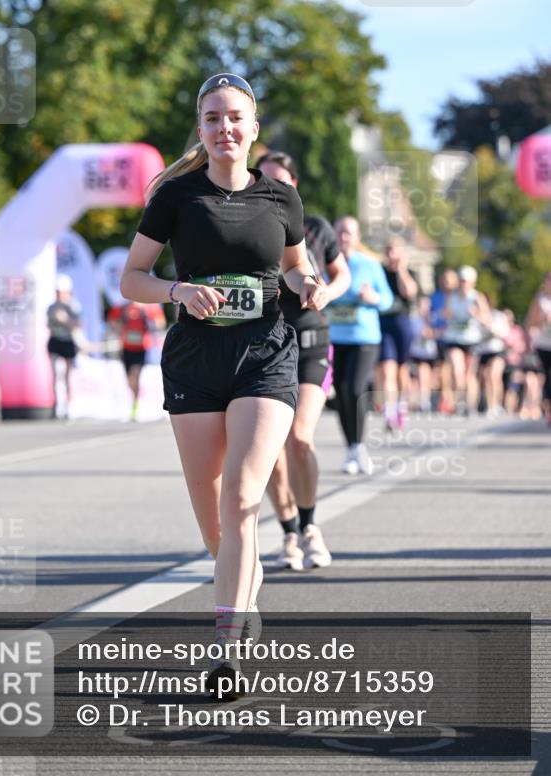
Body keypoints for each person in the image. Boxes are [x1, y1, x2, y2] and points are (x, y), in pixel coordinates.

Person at [120, 72, 328, 695]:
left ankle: (226, 649)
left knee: (243, 499)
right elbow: (133, 278)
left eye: (235, 117)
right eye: (212, 118)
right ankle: (243, 591)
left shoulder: (281, 200)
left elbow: (295, 267)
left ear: (253, 127)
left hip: (265, 357)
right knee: (216, 522)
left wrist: (306, 285)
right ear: (202, 128)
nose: (224, 128)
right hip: (193, 361)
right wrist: (177, 289)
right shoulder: (176, 197)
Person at [255, 151, 350, 572]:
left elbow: (341, 273)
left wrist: (329, 291)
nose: (271, 187)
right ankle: (289, 530)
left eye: (279, 181)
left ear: (293, 184)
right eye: (264, 179)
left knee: (300, 437)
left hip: (311, 337)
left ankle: (311, 526)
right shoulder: (247, 223)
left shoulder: (314, 228)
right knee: (271, 449)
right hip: (267, 340)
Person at [328, 217, 394, 475]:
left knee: (353, 388)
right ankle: (352, 448)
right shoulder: (325, 264)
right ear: (333, 235)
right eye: (341, 232)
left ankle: (359, 446)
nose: (344, 237)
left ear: (357, 238)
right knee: (341, 394)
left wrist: (372, 297)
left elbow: (387, 300)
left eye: (349, 233)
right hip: (335, 338)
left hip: (364, 338)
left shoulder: (369, 265)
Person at [377, 237, 418, 430]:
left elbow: (409, 292)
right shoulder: (379, 271)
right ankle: (389, 413)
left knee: (402, 371)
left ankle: (402, 406)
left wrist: (401, 268)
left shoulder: (410, 272)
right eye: (388, 249)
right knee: (387, 368)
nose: (390, 253)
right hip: (383, 322)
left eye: (394, 249)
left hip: (402, 323)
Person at [443, 265, 491, 416]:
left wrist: (476, 314)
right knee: (457, 371)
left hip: (472, 340)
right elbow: (446, 315)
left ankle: (471, 405)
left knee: (469, 375)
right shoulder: (452, 297)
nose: (463, 284)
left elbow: (487, 320)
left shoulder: (477, 298)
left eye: (466, 281)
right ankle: (460, 403)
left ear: (472, 282)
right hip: (454, 339)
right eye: (461, 280)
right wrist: (447, 315)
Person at [108, 299, 166, 419]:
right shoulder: (122, 308)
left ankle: (135, 404)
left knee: (135, 375)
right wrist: (120, 327)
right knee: (129, 379)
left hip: (141, 348)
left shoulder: (150, 308)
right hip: (126, 348)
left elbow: (161, 323)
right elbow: (112, 321)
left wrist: (150, 319)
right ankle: (135, 398)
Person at [46, 274, 82, 418]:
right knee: (55, 374)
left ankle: (67, 406)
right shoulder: (51, 307)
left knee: (67, 375)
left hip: (67, 341)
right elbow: (48, 324)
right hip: (55, 340)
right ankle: (55, 405)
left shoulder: (73, 306)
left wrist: (65, 320)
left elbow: (78, 325)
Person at [429, 269, 458, 414]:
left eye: (449, 279)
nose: (446, 282)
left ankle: (454, 400)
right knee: (442, 370)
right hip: (439, 339)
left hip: (456, 339)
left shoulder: (457, 297)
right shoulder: (435, 297)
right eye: (444, 279)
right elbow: (430, 316)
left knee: (454, 370)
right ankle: (446, 400)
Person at [525, 271, 551, 424]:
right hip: (543, 345)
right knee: (547, 376)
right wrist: (542, 320)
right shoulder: (540, 300)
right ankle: (548, 408)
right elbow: (530, 323)